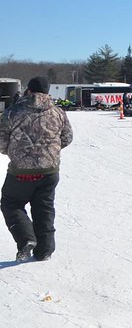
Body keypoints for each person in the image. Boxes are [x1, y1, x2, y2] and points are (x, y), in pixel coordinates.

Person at [0, 76, 73, 261]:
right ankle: (45, 250)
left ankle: (26, 239)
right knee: (44, 207)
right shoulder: (58, 112)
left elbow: (0, 140)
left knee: (11, 203)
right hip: (49, 170)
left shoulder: (12, 112)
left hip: (21, 172)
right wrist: (49, 152)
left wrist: (14, 152)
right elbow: (67, 137)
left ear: (29, 91)